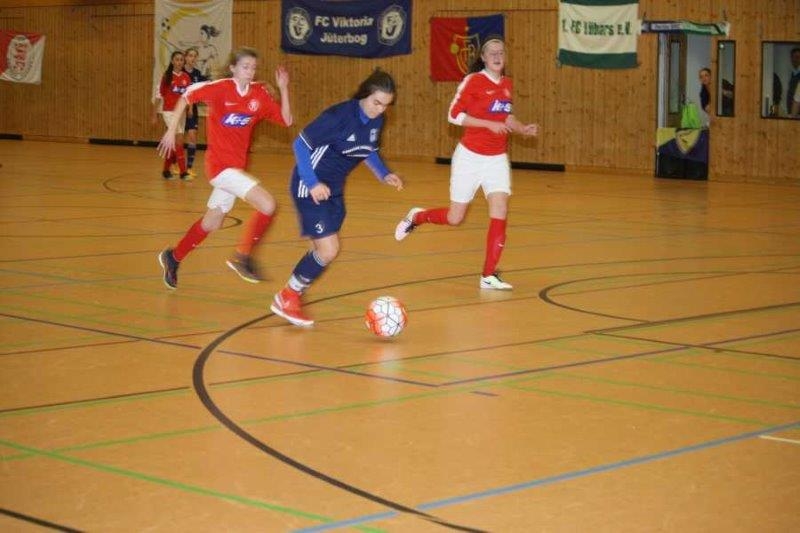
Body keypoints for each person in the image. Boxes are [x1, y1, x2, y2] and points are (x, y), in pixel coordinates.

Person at [394, 36, 538, 290]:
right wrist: (488, 124)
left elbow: (507, 116)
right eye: (492, 52)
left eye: (501, 52)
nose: (497, 56)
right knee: (455, 217)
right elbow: (453, 115)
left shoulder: (507, 84)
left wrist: (522, 128)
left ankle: (488, 275)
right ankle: (417, 217)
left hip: (497, 158)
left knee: (500, 209)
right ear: (483, 58)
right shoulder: (473, 81)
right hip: (470, 157)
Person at [270, 68, 404, 326]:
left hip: (334, 189)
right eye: (376, 102)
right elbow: (300, 144)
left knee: (321, 250)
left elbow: (368, 149)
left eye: (386, 105)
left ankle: (294, 291)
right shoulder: (338, 116)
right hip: (310, 185)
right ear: (365, 94)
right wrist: (312, 183)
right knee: (329, 249)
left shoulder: (377, 120)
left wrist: (384, 173)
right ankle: (287, 296)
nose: (380, 110)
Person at [157, 47, 293, 289]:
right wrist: (171, 129)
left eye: (253, 68)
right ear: (233, 68)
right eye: (245, 67)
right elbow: (187, 95)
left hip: (236, 169)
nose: (250, 71)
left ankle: (173, 257)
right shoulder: (220, 88)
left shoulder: (259, 95)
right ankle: (243, 256)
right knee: (268, 204)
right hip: (220, 167)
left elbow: (286, 120)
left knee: (212, 222)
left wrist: (283, 88)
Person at [152, 50, 191, 180]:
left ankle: (165, 170)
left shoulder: (186, 77)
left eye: (181, 60)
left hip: (181, 113)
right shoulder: (167, 77)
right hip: (169, 112)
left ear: (183, 62)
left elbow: (188, 96)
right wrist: (154, 115)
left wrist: (189, 109)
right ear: (172, 61)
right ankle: (183, 172)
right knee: (179, 139)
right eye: (177, 59)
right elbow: (158, 96)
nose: (179, 62)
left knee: (173, 142)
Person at [183, 47, 207, 178]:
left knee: (192, 136)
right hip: (180, 109)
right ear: (185, 57)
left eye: (194, 56)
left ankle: (189, 167)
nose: (192, 58)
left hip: (193, 110)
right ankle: (174, 164)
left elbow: (204, 89)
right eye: (190, 55)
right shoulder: (180, 72)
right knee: (178, 138)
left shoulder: (198, 74)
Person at [786, 47, 800, 116]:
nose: (794, 60)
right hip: (793, 113)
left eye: (797, 57)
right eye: (792, 57)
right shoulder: (793, 73)